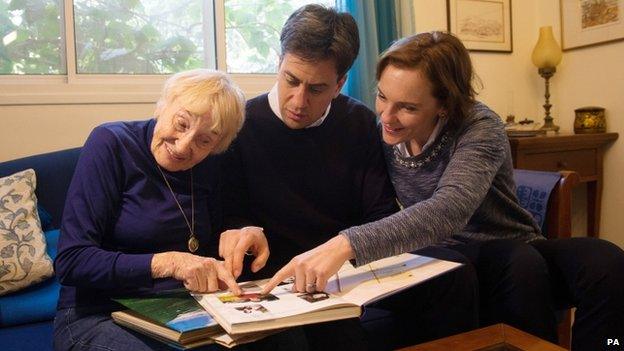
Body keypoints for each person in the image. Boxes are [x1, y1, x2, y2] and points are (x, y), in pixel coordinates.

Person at [261, 32, 624, 350]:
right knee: (519, 266)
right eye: (382, 97)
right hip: (452, 259)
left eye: (407, 107)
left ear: (445, 105)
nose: (387, 116)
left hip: (512, 245)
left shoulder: (479, 127)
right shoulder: (380, 132)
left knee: (606, 261)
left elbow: (448, 209)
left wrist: (346, 244)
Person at [218, 5, 478, 350]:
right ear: (279, 62)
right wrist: (241, 230)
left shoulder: (359, 123)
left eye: (317, 89)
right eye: (291, 80)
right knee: (331, 332)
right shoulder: (241, 124)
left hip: (345, 270)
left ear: (341, 82)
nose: (298, 100)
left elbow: (380, 213)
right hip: (274, 277)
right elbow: (229, 214)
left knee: (454, 272)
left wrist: (344, 256)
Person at [53, 69, 247, 351]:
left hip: (181, 309)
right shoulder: (111, 143)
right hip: (96, 313)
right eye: (181, 124)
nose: (184, 146)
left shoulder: (211, 165)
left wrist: (244, 233)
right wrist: (169, 262)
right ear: (161, 105)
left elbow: (216, 236)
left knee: (282, 338)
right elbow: (72, 261)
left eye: (204, 141)